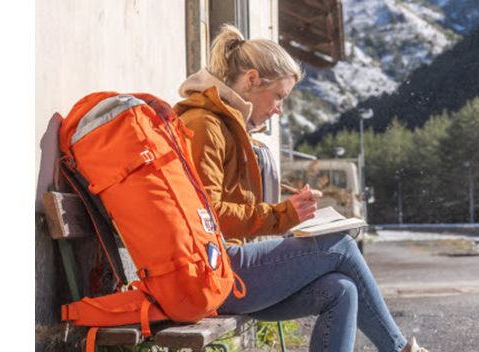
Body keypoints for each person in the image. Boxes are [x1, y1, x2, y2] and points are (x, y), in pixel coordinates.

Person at [171, 24, 429, 352]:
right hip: (212, 273)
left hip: (226, 268)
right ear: (251, 80)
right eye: (278, 96)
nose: (279, 108)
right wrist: (283, 215)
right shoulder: (205, 125)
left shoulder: (227, 125)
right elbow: (209, 217)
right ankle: (400, 349)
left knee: (342, 290)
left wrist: (291, 214)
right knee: (339, 245)